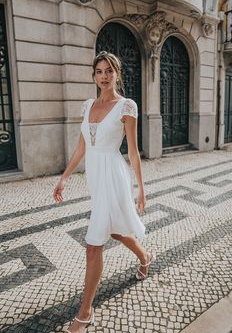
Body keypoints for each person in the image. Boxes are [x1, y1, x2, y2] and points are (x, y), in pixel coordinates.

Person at [53, 51, 152, 333]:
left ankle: (85, 312)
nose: (104, 76)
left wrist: (142, 188)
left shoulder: (126, 107)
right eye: (99, 71)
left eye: (109, 70)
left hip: (114, 176)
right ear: (94, 75)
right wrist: (64, 178)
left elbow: (132, 152)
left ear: (117, 74)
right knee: (118, 231)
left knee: (94, 242)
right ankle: (145, 257)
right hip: (95, 177)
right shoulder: (87, 106)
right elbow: (82, 148)